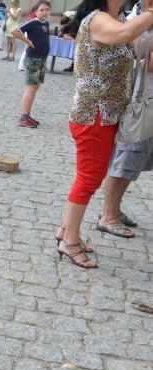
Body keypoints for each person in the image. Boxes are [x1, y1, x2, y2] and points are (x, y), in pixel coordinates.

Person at [54, 0, 153, 268]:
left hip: (109, 114)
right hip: (94, 114)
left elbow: (142, 57)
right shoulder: (98, 20)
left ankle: (66, 230)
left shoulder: (120, 18)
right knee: (89, 179)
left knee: (92, 177)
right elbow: (125, 36)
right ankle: (70, 243)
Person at [95, 0, 153, 239]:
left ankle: (115, 210)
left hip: (146, 100)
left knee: (135, 161)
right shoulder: (131, 22)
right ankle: (108, 215)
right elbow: (146, 64)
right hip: (140, 101)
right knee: (126, 158)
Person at [11, 1, 51, 128]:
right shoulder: (33, 22)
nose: (44, 12)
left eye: (47, 9)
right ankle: (23, 117)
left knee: (35, 87)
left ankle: (27, 114)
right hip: (33, 58)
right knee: (31, 87)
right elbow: (14, 30)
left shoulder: (46, 23)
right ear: (36, 11)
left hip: (42, 58)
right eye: (42, 10)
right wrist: (27, 40)